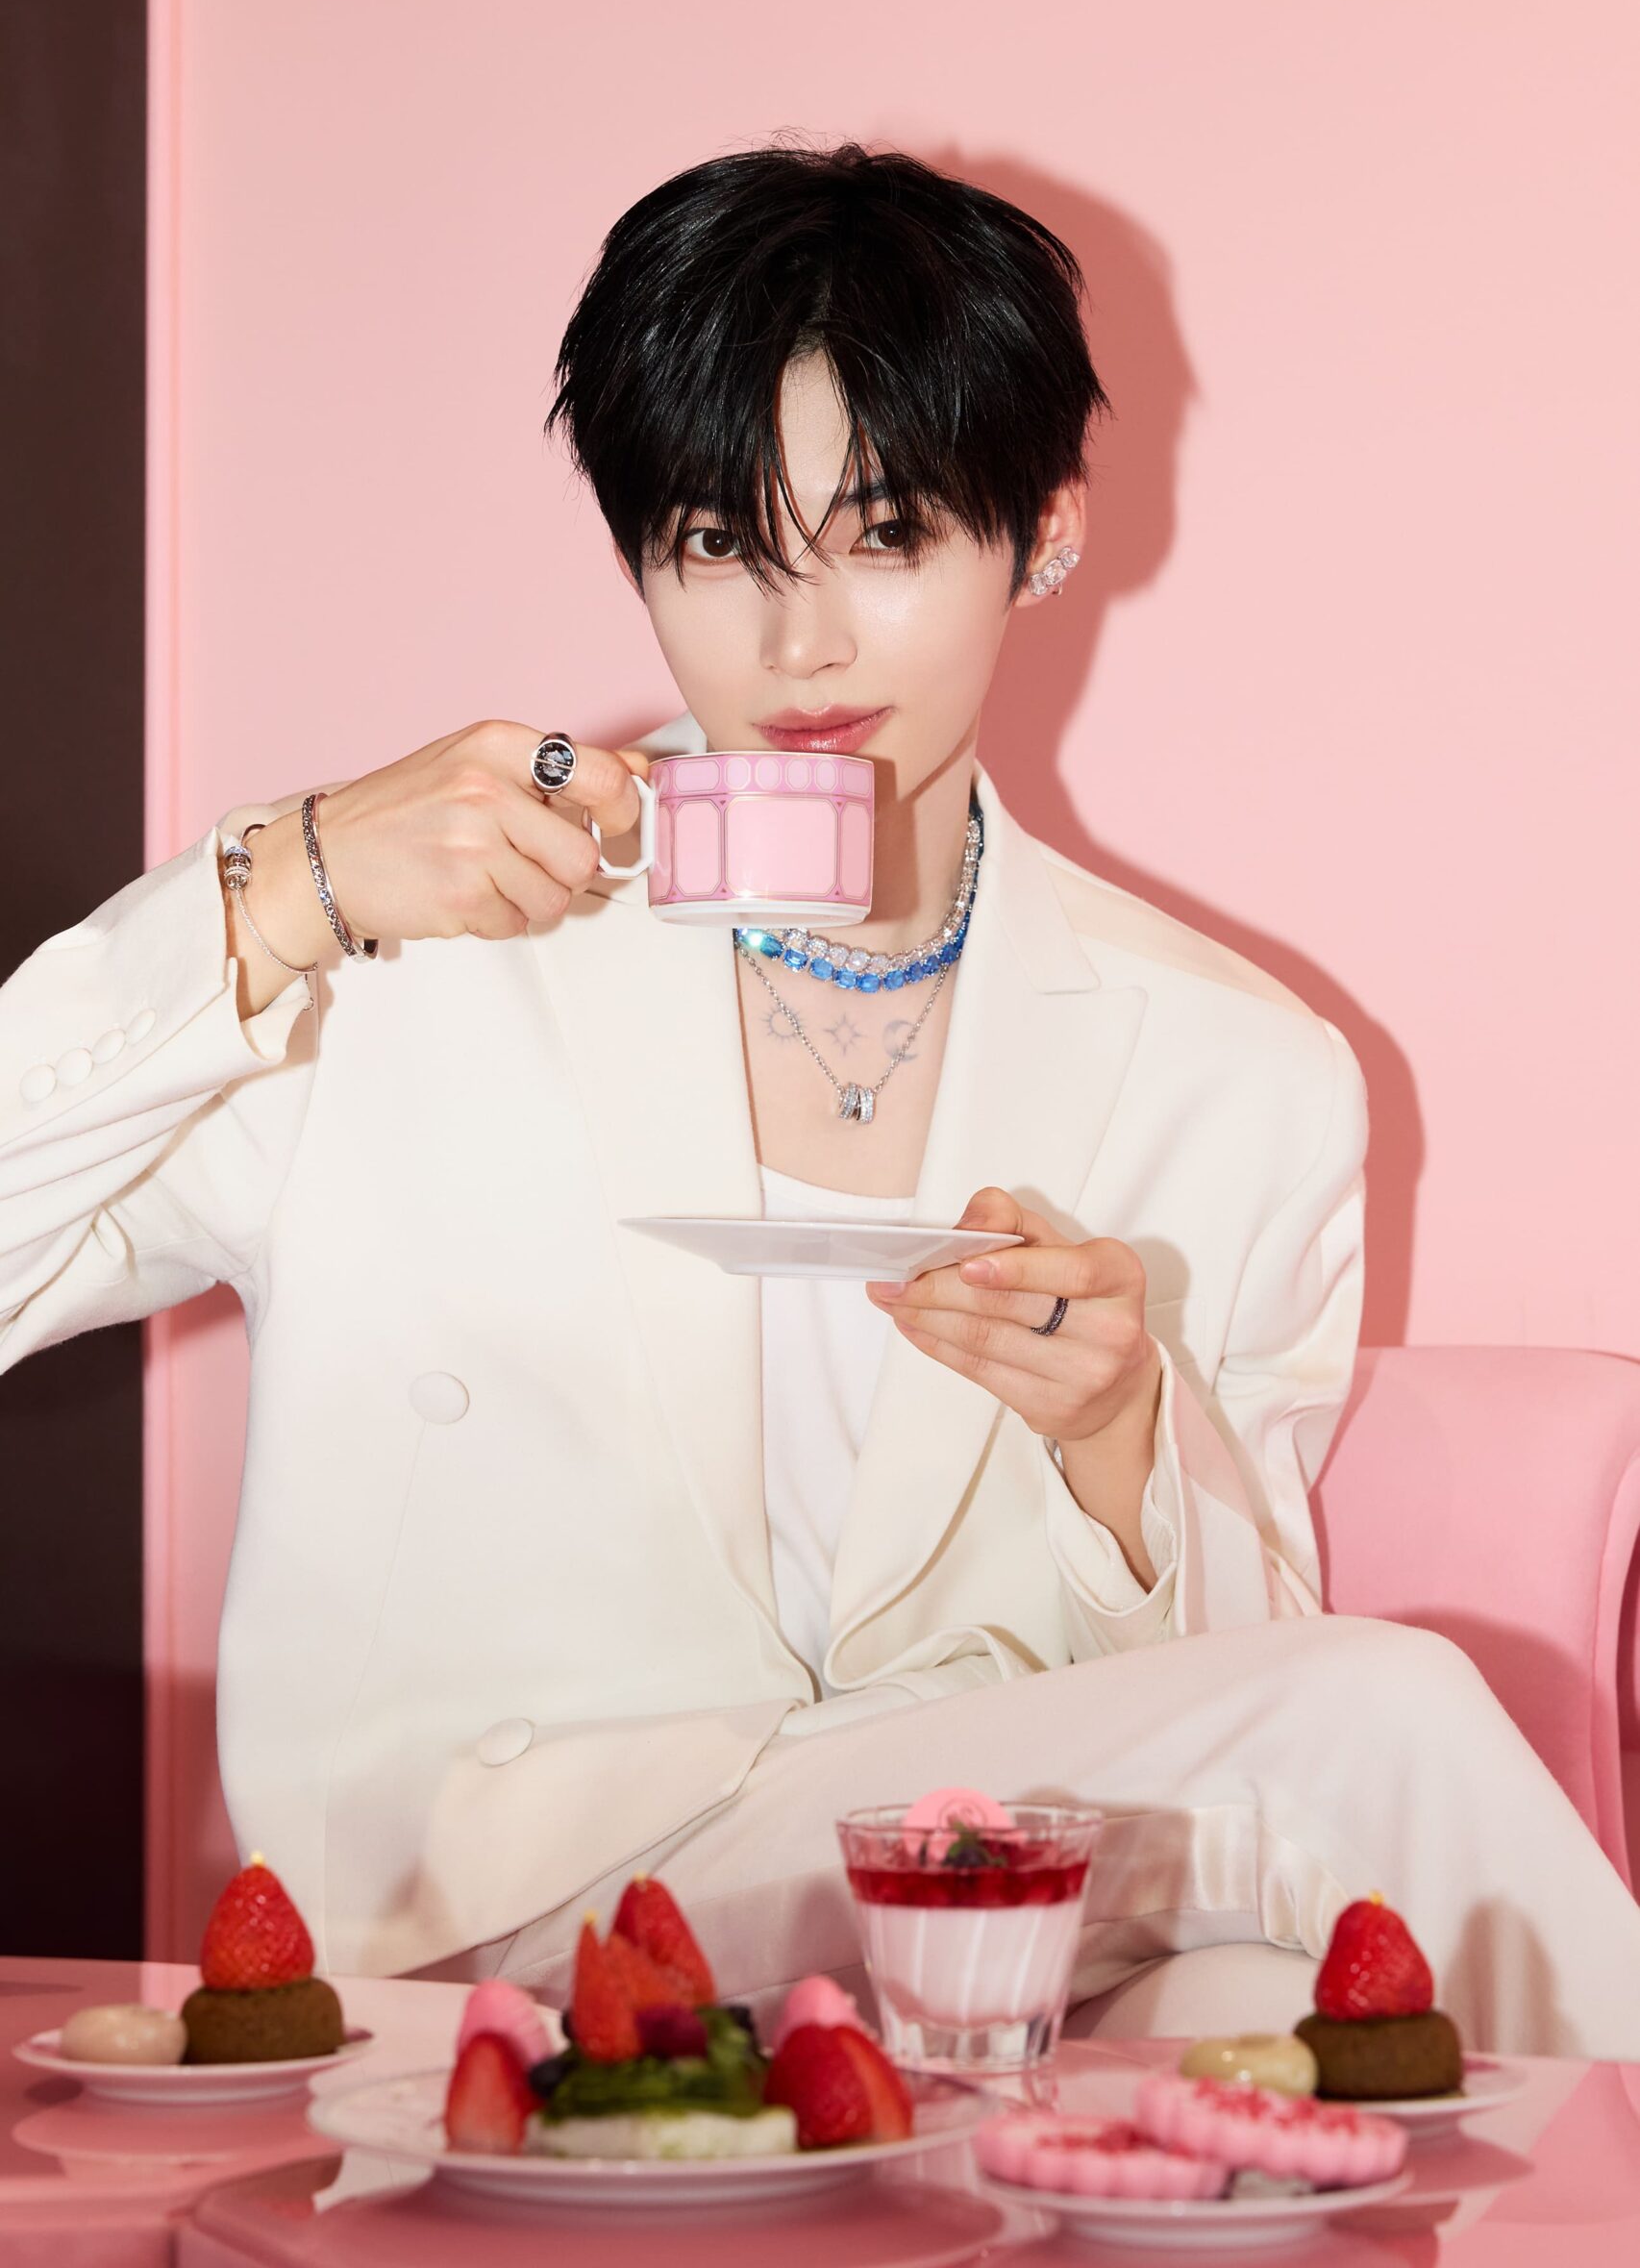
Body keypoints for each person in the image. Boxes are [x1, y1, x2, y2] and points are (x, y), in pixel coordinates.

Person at [2, 143, 1636, 2055]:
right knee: (1381, 1711)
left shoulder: (1235, 1066)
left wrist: (1115, 1428)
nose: (801, 644)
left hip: (974, 1898)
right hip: (505, 1918)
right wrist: (278, 888)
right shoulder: (407, 940)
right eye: (719, 544)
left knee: (1264, 2007)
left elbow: (1222, 1681)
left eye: (885, 534)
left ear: (1043, 530)